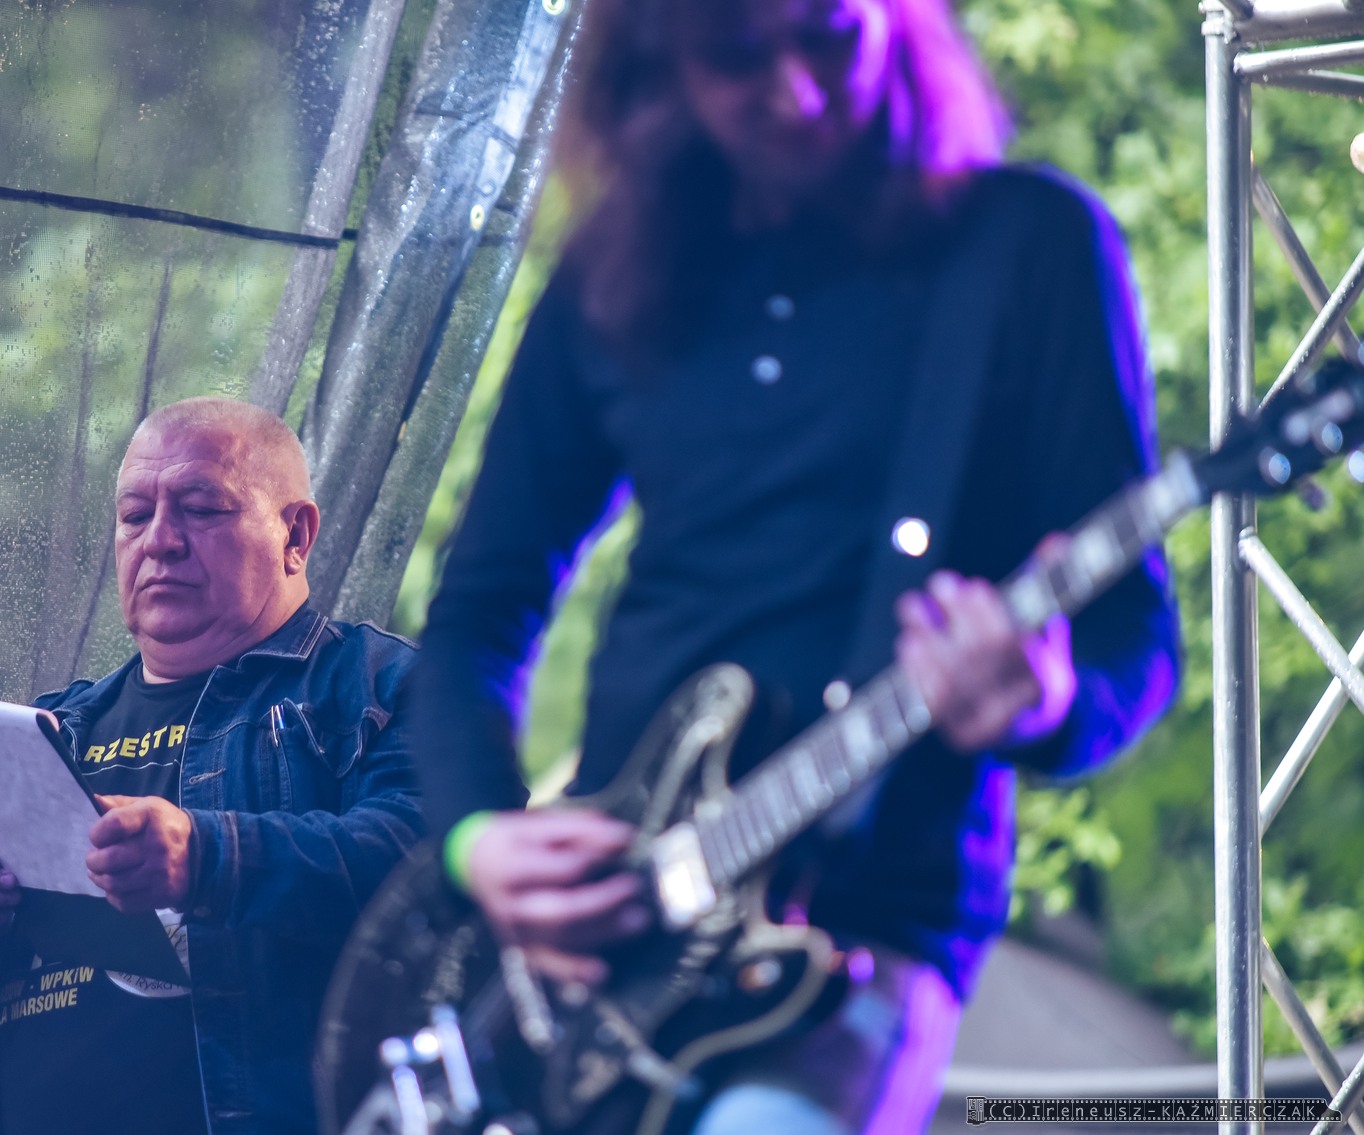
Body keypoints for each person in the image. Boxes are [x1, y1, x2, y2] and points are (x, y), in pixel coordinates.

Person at [405, 0, 1182, 1131]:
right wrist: (478, 834)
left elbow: (1134, 640)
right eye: (737, 56)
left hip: (865, 921)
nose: (799, 89)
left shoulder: (1026, 245)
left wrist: (1044, 702)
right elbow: (480, 605)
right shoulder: (616, 270)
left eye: (829, 35)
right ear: (659, 61)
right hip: (617, 915)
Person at [0, 397, 424, 1135]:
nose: (160, 540)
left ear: (295, 534)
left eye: (202, 508)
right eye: (135, 515)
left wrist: (208, 857)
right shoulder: (56, 726)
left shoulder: (379, 686)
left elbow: (438, 863)